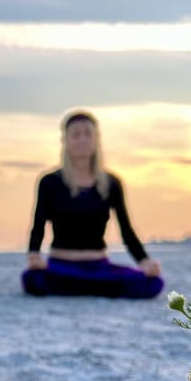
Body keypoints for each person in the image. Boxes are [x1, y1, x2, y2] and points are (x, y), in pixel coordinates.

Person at [22, 109, 163, 298]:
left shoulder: (111, 183)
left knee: (153, 283)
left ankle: (82, 287)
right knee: (33, 279)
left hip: (98, 266)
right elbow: (38, 225)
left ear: (96, 139)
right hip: (60, 265)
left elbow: (126, 230)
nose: (82, 140)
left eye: (88, 134)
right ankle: (85, 287)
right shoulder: (50, 182)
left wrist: (144, 262)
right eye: (76, 135)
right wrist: (34, 255)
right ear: (66, 141)